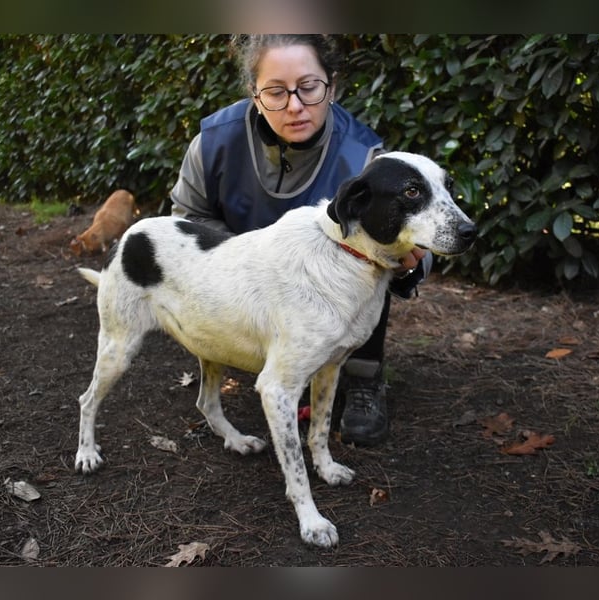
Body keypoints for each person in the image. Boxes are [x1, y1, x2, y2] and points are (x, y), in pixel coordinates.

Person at [170, 34, 432, 446]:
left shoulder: (365, 157)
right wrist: (252, 260)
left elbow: (409, 239)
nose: (295, 106)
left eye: (309, 88)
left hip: (331, 291)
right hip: (246, 287)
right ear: (254, 95)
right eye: (275, 91)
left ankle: (362, 376)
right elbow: (186, 222)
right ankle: (261, 358)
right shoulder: (212, 145)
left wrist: (412, 262)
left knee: (366, 267)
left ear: (332, 86)